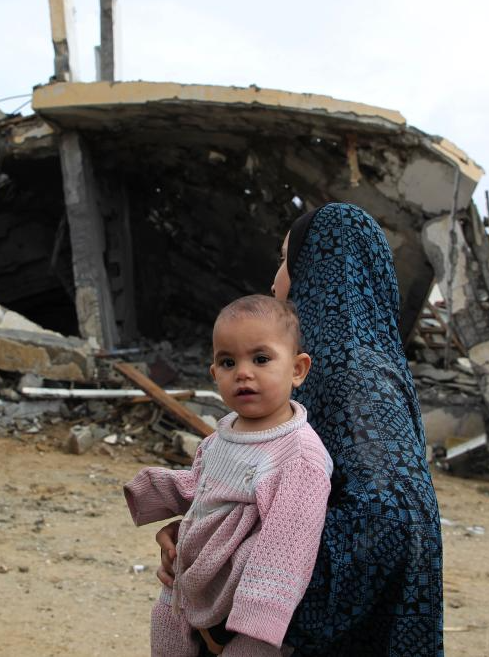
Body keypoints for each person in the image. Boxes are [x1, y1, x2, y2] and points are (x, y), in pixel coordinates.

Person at [159, 203, 444, 655]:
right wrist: (202, 538)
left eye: (285, 260)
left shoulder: (351, 375)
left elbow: (394, 523)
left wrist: (243, 582)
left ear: (320, 267)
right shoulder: (354, 365)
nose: (276, 281)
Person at [125, 295, 332, 656]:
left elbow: (287, 546)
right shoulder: (221, 437)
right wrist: (157, 493)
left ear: (298, 369)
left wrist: (252, 621)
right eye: (228, 362)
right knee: (167, 634)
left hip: (245, 610)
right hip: (192, 580)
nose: (243, 372)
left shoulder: (298, 457)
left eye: (261, 359)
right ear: (214, 374)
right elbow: (204, 488)